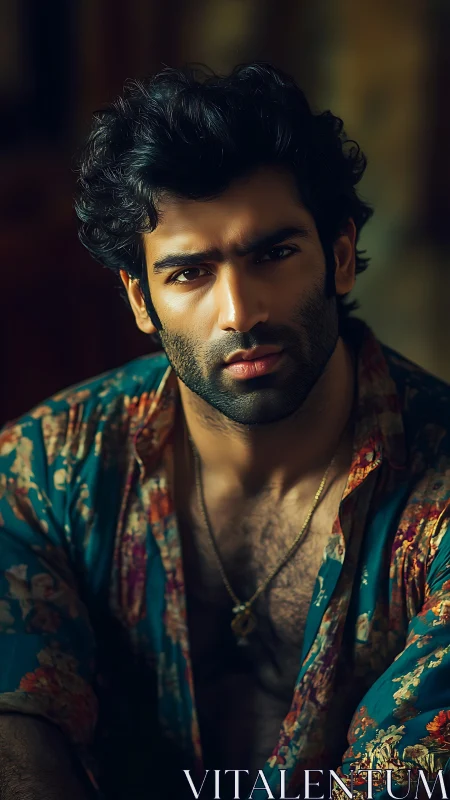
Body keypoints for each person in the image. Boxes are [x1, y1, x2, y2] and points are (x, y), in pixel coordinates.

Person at [0, 62, 449, 800]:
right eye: (189, 273)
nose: (239, 312)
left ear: (338, 257)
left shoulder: (436, 496)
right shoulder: (43, 471)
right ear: (140, 300)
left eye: (272, 254)